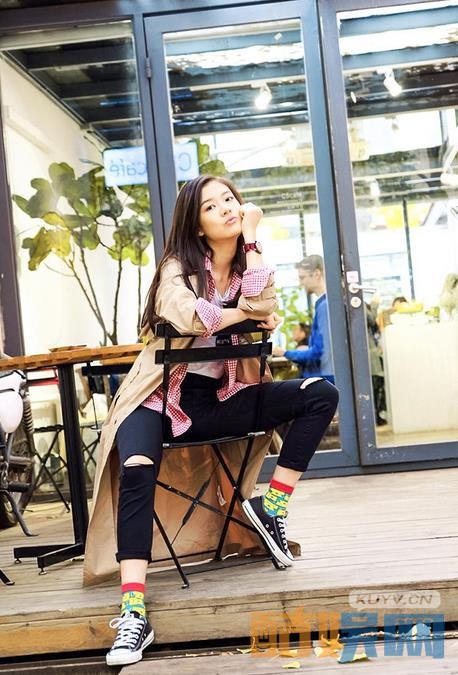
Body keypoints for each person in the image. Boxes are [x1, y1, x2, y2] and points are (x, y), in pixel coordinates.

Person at [83, 175, 339, 667]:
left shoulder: (248, 262)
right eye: (210, 206)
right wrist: (243, 314)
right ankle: (134, 612)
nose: (226, 208)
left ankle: (270, 509)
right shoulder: (176, 268)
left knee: (319, 394)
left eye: (230, 199)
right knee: (136, 468)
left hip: (220, 397)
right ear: (197, 225)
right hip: (155, 399)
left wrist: (252, 242)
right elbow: (190, 316)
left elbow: (265, 305)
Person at [273, 255, 334, 383]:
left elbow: (319, 352)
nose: (301, 283)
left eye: (302, 277)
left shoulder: (325, 306)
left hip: (322, 379)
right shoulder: (325, 304)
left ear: (316, 274)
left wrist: (285, 353)